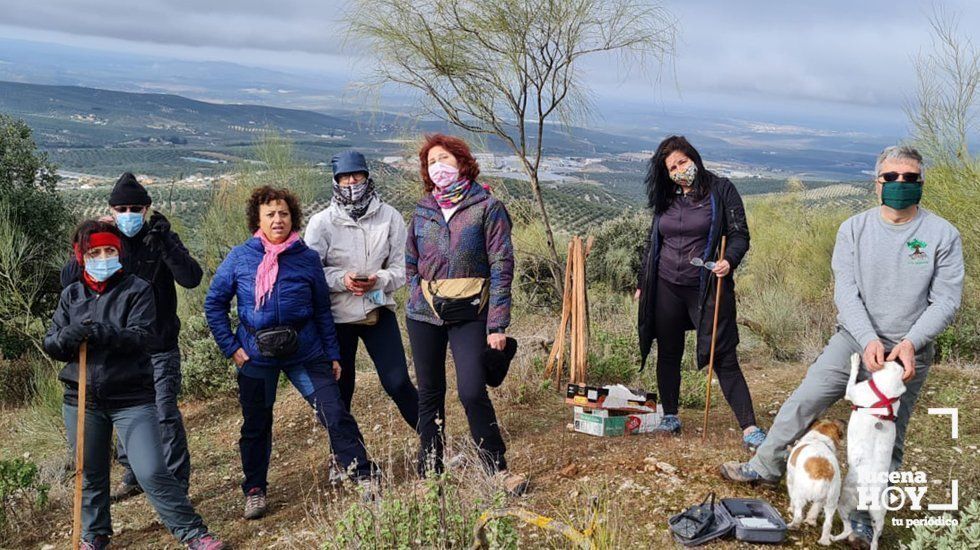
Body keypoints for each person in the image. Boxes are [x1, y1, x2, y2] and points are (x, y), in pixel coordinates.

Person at [719, 145, 964, 549]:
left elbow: (946, 301)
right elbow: (846, 293)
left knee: (887, 438)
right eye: (892, 178)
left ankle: (863, 517)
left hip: (908, 354)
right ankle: (765, 466)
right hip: (854, 340)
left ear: (921, 183)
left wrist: (908, 344)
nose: (900, 184)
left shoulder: (943, 235)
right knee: (805, 399)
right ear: (877, 183)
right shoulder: (854, 229)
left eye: (910, 178)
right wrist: (867, 338)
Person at [44, 221, 223, 550]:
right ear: (82, 256)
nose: (103, 257)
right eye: (94, 252)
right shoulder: (71, 294)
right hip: (81, 398)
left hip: (132, 398)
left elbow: (144, 338)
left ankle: (194, 533)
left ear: (119, 253)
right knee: (89, 471)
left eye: (109, 250)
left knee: (151, 469)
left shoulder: (136, 289)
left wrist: (104, 333)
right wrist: (64, 338)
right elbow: (52, 343)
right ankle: (94, 534)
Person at [205, 186, 378, 520]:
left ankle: (362, 473)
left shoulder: (306, 257)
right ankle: (255, 489)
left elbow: (321, 309)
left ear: (292, 217)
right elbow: (214, 303)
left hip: (306, 350)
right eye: (270, 213)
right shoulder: (241, 257)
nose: (278, 219)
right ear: (258, 219)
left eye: (283, 213)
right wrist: (232, 347)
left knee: (334, 410)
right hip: (256, 354)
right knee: (256, 425)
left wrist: (332, 353)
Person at [61, 172, 202, 501]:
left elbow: (191, 278)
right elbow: (68, 282)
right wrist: (84, 241)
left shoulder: (162, 239)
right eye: (121, 208)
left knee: (164, 414)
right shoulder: (104, 244)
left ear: (146, 209)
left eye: (134, 208)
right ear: (111, 210)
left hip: (159, 344)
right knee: (127, 416)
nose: (128, 214)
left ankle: (177, 483)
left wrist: (167, 244)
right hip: (120, 348)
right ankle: (133, 474)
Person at [406, 134, 526, 495]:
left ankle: (496, 469)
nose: (437, 167)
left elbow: (502, 266)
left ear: (462, 161)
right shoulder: (422, 210)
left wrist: (497, 325)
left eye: (444, 159)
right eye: (431, 163)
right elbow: (411, 263)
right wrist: (417, 294)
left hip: (472, 312)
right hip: (424, 313)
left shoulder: (487, 206)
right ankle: (430, 472)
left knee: (472, 390)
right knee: (429, 393)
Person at [636, 135, 766, 449]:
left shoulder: (721, 190)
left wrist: (728, 261)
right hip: (666, 284)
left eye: (682, 162)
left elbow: (739, 234)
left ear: (694, 158)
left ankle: (750, 428)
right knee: (668, 351)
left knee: (722, 354)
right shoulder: (666, 196)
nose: (679, 170)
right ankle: (670, 415)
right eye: (672, 167)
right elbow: (654, 242)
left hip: (705, 286)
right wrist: (643, 282)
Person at [305, 151, 419, 432]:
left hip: (376, 309)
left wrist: (377, 280)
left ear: (368, 177)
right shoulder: (321, 223)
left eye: (357, 175)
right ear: (335, 180)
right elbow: (310, 272)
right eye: (344, 177)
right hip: (335, 317)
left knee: (398, 382)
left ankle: (435, 442)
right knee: (341, 389)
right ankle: (344, 458)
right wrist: (343, 280)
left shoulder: (389, 217)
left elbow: (403, 268)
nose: (351, 182)